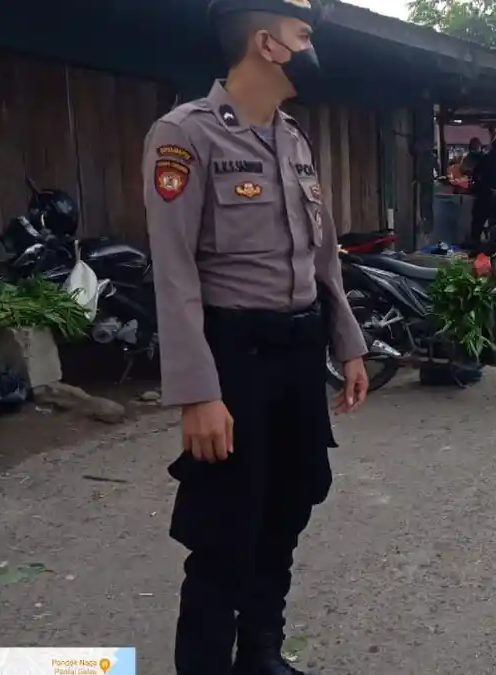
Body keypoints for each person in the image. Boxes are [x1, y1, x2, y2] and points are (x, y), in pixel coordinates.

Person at [143, 1, 370, 673]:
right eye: (305, 35)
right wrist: (198, 393)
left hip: (298, 353)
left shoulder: (293, 139)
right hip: (233, 357)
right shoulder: (183, 135)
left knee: (288, 506)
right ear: (267, 44)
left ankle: (261, 652)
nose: (313, 50)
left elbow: (321, 257)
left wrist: (348, 343)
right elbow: (174, 272)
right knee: (225, 529)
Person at [469, 138, 496, 244]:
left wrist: (479, 185)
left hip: (484, 193)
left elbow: (475, 174)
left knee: (478, 220)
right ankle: (495, 243)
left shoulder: (485, 159)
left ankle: (475, 241)